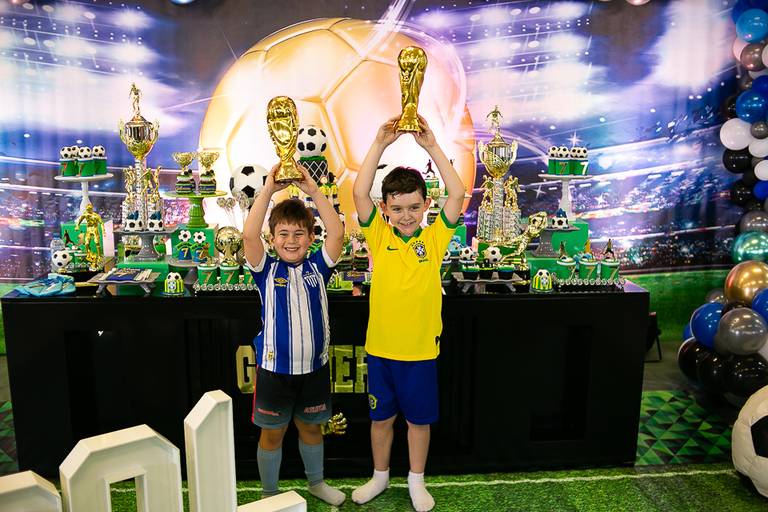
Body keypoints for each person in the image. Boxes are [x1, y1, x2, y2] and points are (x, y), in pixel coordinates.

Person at [351, 115, 465, 512]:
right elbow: (359, 192)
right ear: (385, 207)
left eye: (414, 207)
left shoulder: (434, 238)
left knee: (418, 422)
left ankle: (416, 480)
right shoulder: (379, 234)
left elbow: (457, 193)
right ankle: (380, 476)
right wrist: (379, 144)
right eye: (397, 208)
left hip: (419, 352)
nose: (406, 215)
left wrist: (431, 145)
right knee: (380, 420)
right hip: (381, 350)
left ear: (426, 205)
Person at [242, 163, 345, 505]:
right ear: (272, 239)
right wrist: (268, 190)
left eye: (299, 234)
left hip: (314, 371)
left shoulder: (318, 267)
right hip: (274, 373)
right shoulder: (266, 269)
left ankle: (316, 483)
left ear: (311, 238)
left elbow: (337, 234)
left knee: (312, 429)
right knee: (272, 434)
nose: (291, 241)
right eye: (283, 234)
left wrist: (313, 190)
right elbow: (248, 236)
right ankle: (269, 494)